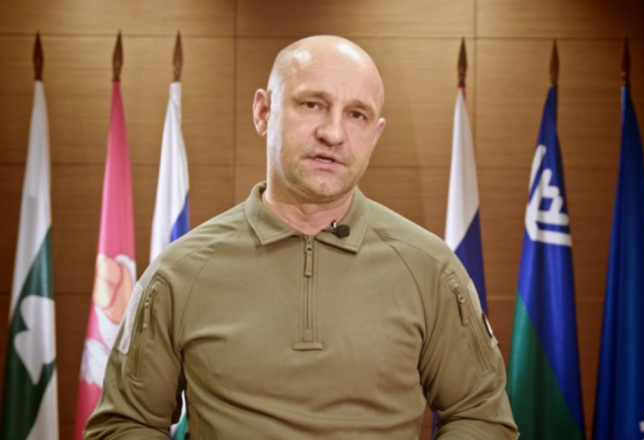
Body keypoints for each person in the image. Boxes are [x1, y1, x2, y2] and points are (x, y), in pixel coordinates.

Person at [84, 35, 518, 439]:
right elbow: (124, 424)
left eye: (357, 114)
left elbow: (480, 415)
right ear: (263, 112)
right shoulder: (178, 273)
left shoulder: (430, 269)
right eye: (312, 104)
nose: (333, 133)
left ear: (375, 134)